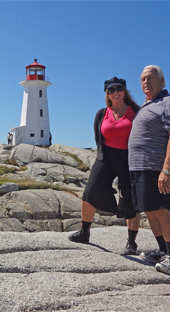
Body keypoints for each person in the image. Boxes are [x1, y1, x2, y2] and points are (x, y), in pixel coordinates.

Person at [68, 77, 142, 256]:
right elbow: (98, 137)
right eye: (111, 90)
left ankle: (131, 243)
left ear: (125, 91)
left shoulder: (137, 112)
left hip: (128, 160)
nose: (115, 92)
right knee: (90, 192)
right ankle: (85, 232)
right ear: (107, 94)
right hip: (105, 158)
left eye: (119, 89)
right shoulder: (101, 114)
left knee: (130, 201)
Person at [128, 65, 170, 275]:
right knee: (150, 211)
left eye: (151, 78)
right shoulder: (146, 105)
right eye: (142, 78)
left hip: (158, 169)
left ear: (162, 81)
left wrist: (167, 170)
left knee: (162, 211)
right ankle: (162, 251)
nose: (145, 82)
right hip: (140, 168)